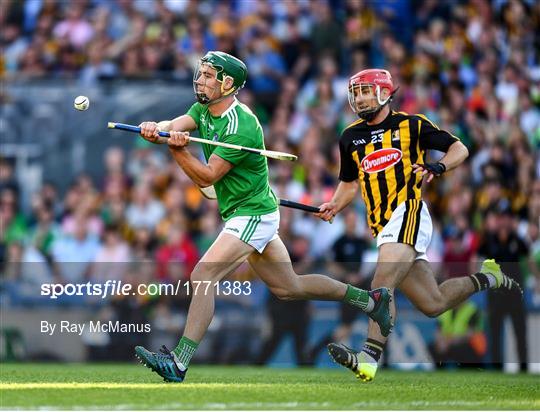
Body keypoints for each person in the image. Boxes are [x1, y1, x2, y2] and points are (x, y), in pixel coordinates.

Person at [133, 51, 392, 383]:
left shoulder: (243, 126)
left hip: (252, 213)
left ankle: (179, 362)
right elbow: (176, 125)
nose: (200, 79)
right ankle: (370, 301)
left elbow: (208, 177)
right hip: (246, 212)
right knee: (290, 287)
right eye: (201, 74)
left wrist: (176, 148)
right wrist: (159, 129)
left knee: (203, 276)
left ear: (227, 84)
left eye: (208, 76)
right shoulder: (202, 109)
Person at [316, 68, 522, 382]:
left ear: (384, 92)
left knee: (381, 280)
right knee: (433, 303)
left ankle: (369, 358)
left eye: (366, 91)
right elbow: (348, 183)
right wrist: (334, 204)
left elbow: (460, 148)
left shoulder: (412, 125)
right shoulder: (350, 137)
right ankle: (488, 278)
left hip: (408, 210)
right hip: (381, 225)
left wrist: (438, 166)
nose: (360, 99)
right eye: (356, 93)